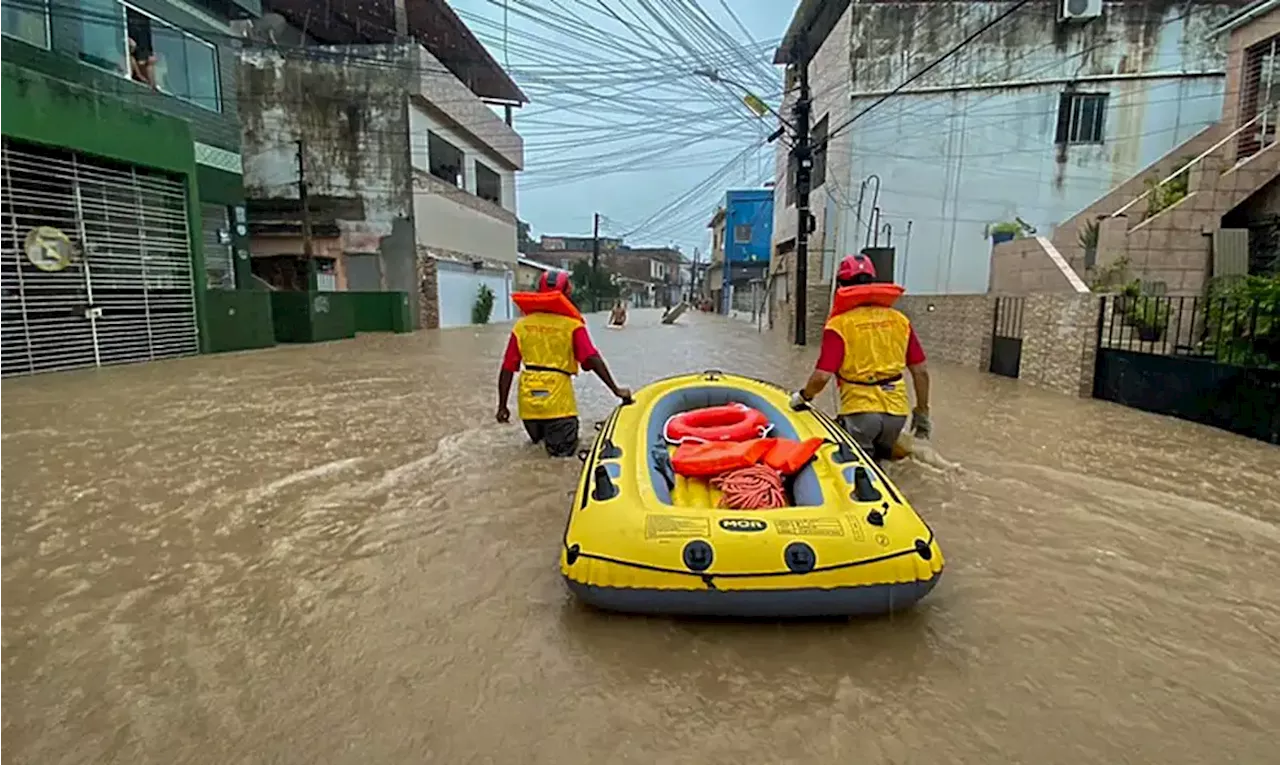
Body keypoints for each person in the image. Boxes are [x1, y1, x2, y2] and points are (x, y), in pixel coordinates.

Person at [789, 254, 931, 462]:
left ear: (840, 285)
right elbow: (921, 372)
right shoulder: (900, 321)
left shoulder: (839, 325)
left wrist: (803, 397)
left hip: (860, 413)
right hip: (897, 413)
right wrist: (922, 411)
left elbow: (821, 377)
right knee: (885, 466)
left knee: (859, 469)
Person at [496, 271, 631, 457]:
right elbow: (591, 359)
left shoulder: (521, 326)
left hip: (528, 405)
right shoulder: (572, 325)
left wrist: (502, 406)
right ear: (567, 294)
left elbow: (507, 368)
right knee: (562, 460)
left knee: (537, 455)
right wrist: (616, 390)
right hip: (558, 403)